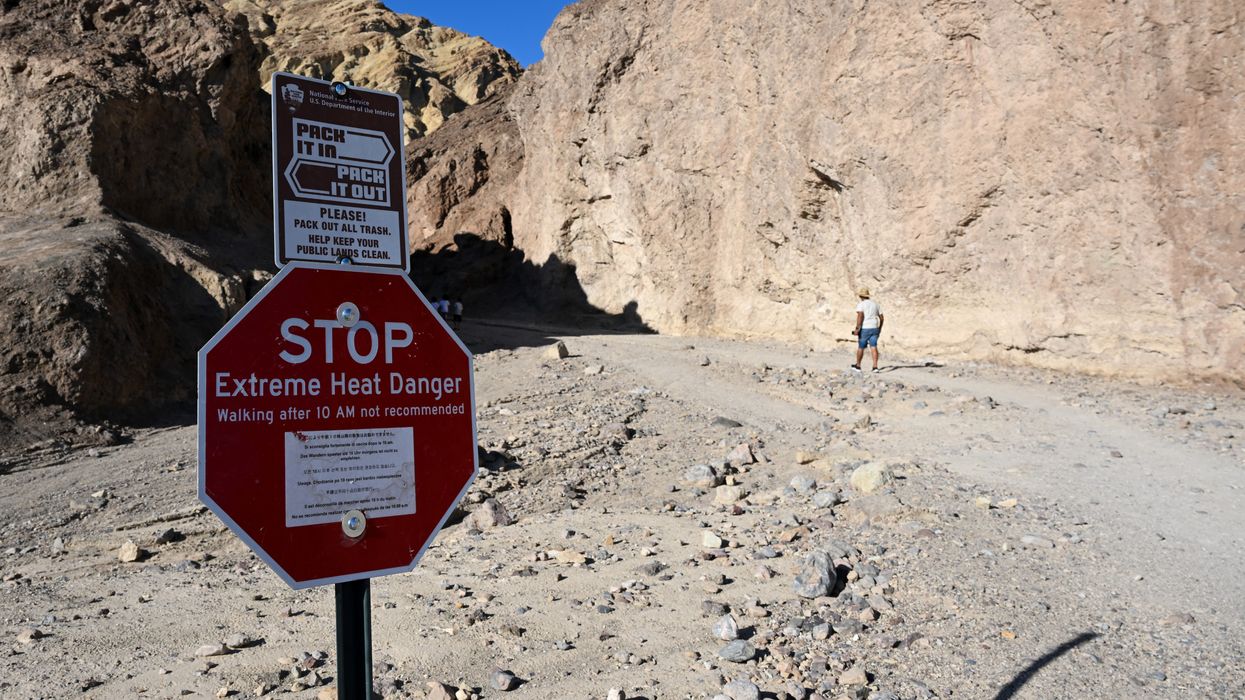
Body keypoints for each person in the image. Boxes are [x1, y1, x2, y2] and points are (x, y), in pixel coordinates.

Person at [851, 287, 884, 373]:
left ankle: (858, 366)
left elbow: (860, 316)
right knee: (873, 346)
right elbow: (882, 317)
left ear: (861, 296)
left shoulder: (861, 304)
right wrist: (879, 328)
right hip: (874, 327)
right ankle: (875, 366)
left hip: (865, 328)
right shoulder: (875, 304)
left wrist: (857, 328)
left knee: (861, 347)